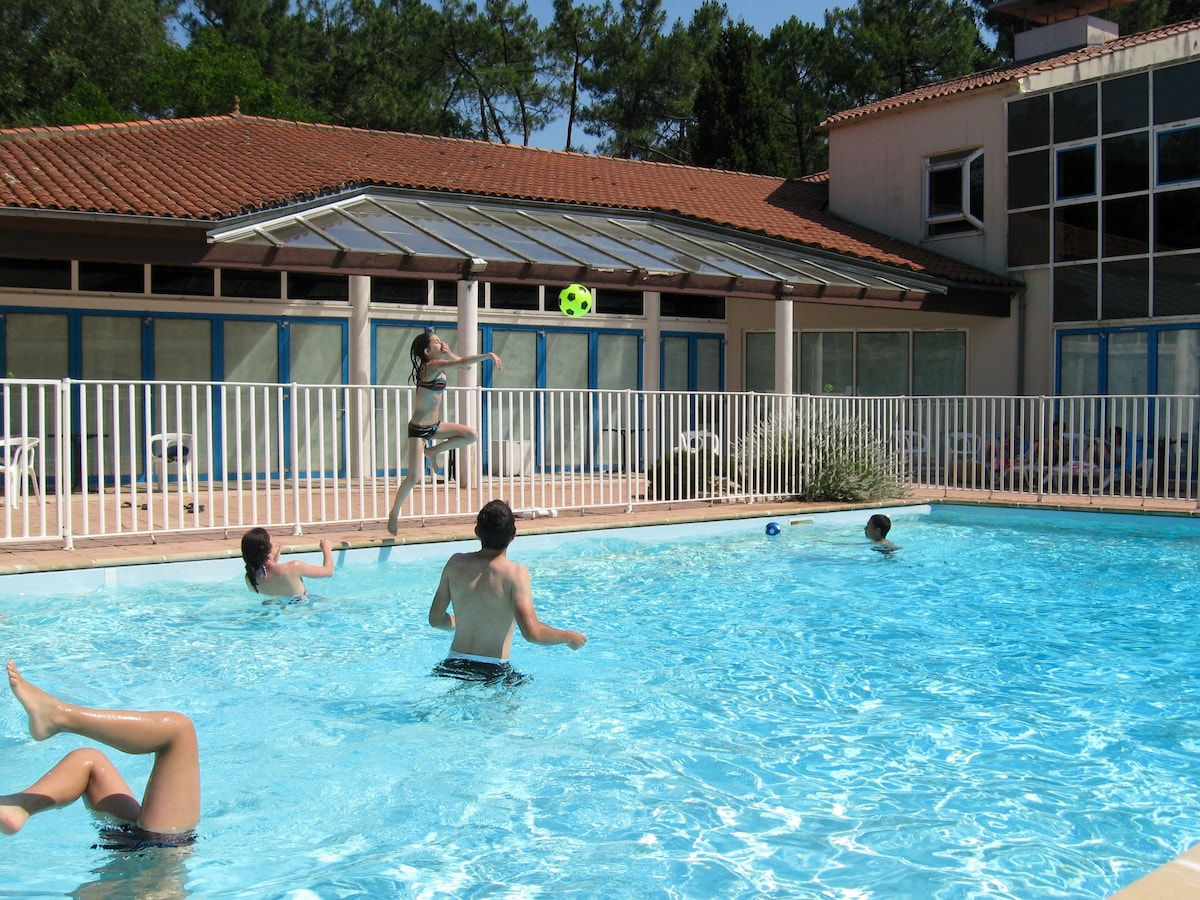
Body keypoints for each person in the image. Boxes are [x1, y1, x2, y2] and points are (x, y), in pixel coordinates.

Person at [0, 661, 200, 846]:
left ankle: (62, 717)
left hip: (152, 857)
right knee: (91, 760)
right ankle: (19, 805)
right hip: (155, 860)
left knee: (178, 732)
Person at [428, 499, 586, 684]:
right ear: (513, 535)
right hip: (493, 671)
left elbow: (436, 620)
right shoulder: (515, 574)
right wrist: (569, 637)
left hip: (451, 666)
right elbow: (532, 632)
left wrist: (462, 621)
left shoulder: (455, 563)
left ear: (477, 531)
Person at [387, 333, 503, 536]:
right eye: (436, 342)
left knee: (471, 435)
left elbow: (464, 366)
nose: (441, 343)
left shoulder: (440, 363)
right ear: (427, 351)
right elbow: (465, 363)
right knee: (414, 478)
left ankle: (433, 451)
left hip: (435, 426)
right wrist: (487, 355)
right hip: (419, 428)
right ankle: (394, 513)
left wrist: (449, 353)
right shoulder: (431, 367)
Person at [241, 527, 334, 601]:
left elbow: (274, 587)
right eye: (271, 540)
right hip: (303, 611)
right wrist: (326, 549)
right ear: (268, 549)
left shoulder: (250, 577)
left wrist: (272, 560)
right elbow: (328, 572)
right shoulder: (293, 567)